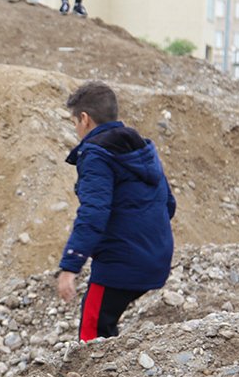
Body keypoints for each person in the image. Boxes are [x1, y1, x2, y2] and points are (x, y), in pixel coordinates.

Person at [57, 81, 176, 341]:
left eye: (75, 122)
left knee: (91, 333)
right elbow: (169, 204)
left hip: (121, 262)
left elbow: (94, 213)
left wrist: (70, 266)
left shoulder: (96, 155)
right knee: (106, 325)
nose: (76, 129)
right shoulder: (142, 148)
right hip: (158, 258)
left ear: (85, 119)